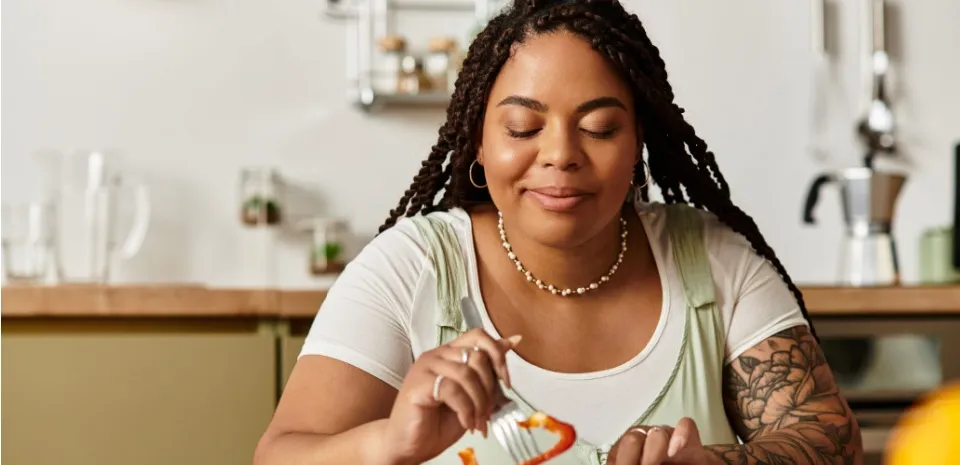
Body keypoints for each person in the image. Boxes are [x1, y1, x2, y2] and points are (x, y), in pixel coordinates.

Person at [254, 0, 864, 464]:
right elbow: (279, 455)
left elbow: (830, 437)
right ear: (478, 143)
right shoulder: (413, 267)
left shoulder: (709, 256)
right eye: (523, 128)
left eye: (599, 129)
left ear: (638, 145)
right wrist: (389, 442)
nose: (561, 155)